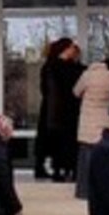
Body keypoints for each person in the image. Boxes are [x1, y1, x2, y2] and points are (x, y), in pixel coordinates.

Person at [73, 58, 109, 199]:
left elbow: (75, 91)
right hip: (104, 118)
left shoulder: (87, 75)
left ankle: (83, 191)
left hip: (88, 118)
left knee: (86, 155)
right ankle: (102, 189)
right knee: (103, 156)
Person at [41, 38, 84, 182]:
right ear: (65, 49)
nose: (74, 50)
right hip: (62, 112)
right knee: (62, 142)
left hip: (61, 112)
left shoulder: (52, 66)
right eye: (72, 47)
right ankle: (61, 169)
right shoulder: (57, 67)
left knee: (63, 142)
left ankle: (63, 169)